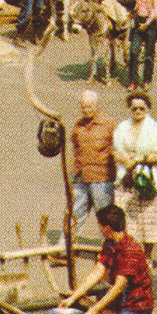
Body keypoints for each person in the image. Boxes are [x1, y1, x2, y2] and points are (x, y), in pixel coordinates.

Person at [62, 204, 155, 314]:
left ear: (107, 228)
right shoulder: (110, 242)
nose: (99, 229)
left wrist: (94, 310)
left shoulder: (130, 250)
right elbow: (97, 272)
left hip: (136, 305)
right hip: (121, 300)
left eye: (100, 225)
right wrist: (73, 297)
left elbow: (118, 287)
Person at [113, 91, 157, 254]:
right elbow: (115, 151)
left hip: (147, 178)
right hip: (125, 178)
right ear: (130, 109)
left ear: (147, 109)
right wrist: (125, 161)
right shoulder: (122, 127)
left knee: (148, 219)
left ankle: (148, 256)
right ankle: (129, 253)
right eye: (134, 108)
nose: (138, 111)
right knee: (126, 219)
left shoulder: (154, 128)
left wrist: (138, 159)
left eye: (142, 109)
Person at [69, 89, 117, 230]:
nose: (86, 110)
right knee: (75, 214)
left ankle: (110, 248)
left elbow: (119, 146)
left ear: (96, 105)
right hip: (80, 177)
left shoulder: (109, 123)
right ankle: (65, 247)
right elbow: (74, 149)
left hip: (102, 179)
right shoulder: (78, 126)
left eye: (89, 106)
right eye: (83, 107)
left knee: (105, 217)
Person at [128, 0, 157, 89]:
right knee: (134, 51)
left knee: (149, 53)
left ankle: (147, 80)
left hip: (150, 23)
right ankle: (133, 80)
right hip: (137, 22)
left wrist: (147, 23)